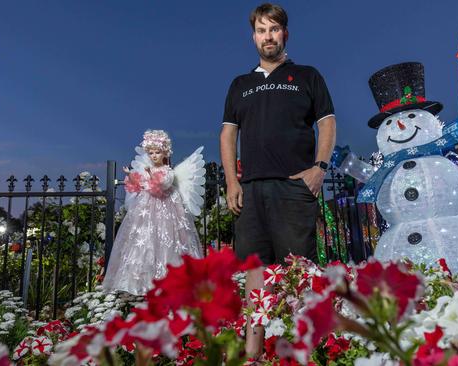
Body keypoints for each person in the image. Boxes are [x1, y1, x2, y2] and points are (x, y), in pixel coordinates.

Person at [219, 3, 336, 357]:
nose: (267, 36)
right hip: (251, 190)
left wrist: (320, 167)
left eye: (273, 29)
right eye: (260, 30)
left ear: (285, 33)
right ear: (253, 36)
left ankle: (305, 350)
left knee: (299, 273)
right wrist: (232, 183)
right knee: (255, 273)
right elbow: (227, 136)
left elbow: (327, 122)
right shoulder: (240, 84)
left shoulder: (307, 75)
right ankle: (253, 354)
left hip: (293, 187)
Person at [103, 130, 206, 296]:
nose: (154, 156)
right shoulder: (147, 169)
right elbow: (139, 185)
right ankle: (145, 282)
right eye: (151, 152)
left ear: (165, 152)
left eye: (157, 152)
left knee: (169, 240)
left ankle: (170, 280)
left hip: (167, 208)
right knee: (144, 241)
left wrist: (151, 175)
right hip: (146, 208)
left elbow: (164, 185)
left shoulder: (168, 171)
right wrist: (130, 175)